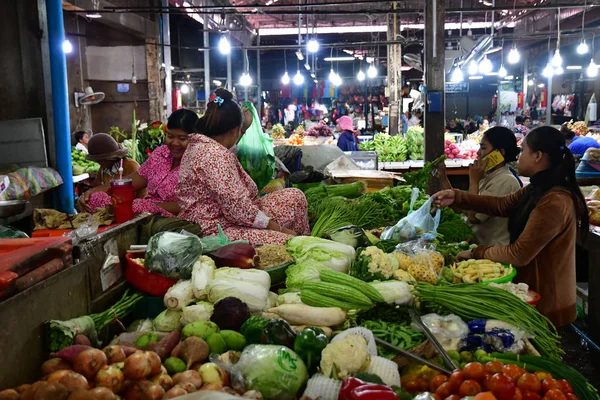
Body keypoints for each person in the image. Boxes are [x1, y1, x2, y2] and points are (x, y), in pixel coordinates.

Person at [433, 126, 589, 327]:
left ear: (538, 156)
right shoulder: (536, 188)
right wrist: (458, 196)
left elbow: (519, 254)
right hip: (533, 293)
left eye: (523, 150)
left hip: (549, 303)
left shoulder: (555, 201)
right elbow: (501, 205)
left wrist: (476, 253)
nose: (518, 157)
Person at [177, 88, 310, 246]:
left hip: (226, 217)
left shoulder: (201, 145)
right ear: (234, 130)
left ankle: (302, 243)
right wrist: (280, 229)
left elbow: (228, 147)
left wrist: (243, 126)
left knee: (295, 197)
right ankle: (302, 247)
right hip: (215, 230)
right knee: (290, 242)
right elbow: (239, 210)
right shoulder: (216, 156)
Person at [79, 109, 199, 216]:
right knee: (95, 198)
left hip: (175, 220)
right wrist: (92, 192)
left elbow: (192, 205)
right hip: (143, 213)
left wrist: (150, 207)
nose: (174, 143)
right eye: (170, 136)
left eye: (182, 138)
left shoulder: (200, 162)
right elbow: (131, 181)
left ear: (196, 138)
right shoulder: (160, 154)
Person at [438, 127, 522, 247]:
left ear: (500, 153)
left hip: (492, 250)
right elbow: (460, 207)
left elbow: (474, 217)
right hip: (477, 245)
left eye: (483, 148)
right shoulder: (488, 175)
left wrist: (474, 181)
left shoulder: (506, 181)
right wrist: (443, 177)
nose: (478, 153)